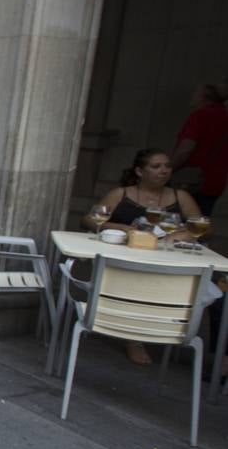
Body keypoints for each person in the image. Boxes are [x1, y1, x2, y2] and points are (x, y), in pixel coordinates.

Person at [83, 147, 205, 364]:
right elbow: (90, 220)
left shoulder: (180, 196)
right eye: (156, 166)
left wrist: (177, 235)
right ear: (140, 171)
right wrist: (123, 228)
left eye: (167, 166)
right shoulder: (121, 194)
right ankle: (133, 337)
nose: (164, 171)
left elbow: (201, 226)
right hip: (125, 257)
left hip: (165, 258)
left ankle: (154, 326)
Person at [171, 83, 228, 215]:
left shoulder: (199, 116)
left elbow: (185, 149)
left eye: (195, 94)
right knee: (199, 222)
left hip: (189, 180)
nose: (192, 97)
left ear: (204, 98)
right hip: (215, 181)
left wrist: (169, 168)